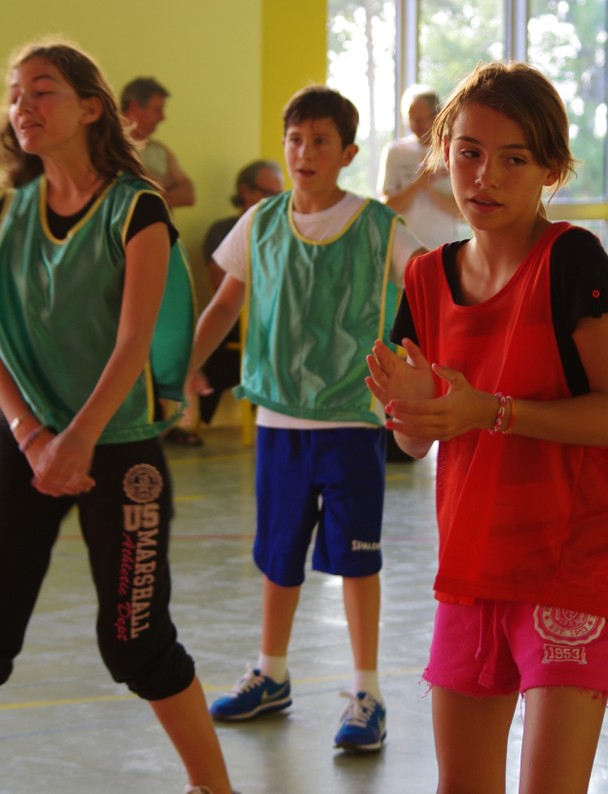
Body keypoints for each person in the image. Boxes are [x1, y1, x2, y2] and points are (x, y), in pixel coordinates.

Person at [0, 41, 234, 794]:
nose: (22, 105)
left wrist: (79, 439)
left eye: (42, 90)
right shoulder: (7, 213)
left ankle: (213, 787)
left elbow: (134, 340)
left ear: (91, 107)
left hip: (117, 445)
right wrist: (32, 437)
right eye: (16, 93)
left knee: (136, 641)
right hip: (28, 444)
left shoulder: (138, 206)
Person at [364, 61, 608, 794]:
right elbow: (413, 441)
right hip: (473, 562)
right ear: (443, 154)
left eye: (514, 159)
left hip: (571, 561)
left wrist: (489, 410)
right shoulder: (426, 279)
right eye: (469, 153)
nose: (485, 176)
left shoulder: (570, 260)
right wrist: (414, 409)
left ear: (550, 170)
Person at [188, 84, 424, 752]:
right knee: (279, 554)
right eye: (295, 139)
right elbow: (224, 305)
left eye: (321, 141)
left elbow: (429, 288)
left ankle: (368, 692)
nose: (305, 151)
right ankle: (272, 673)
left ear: (347, 153)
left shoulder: (378, 226)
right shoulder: (260, 222)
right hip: (278, 420)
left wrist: (427, 376)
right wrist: (180, 370)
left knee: (357, 560)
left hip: (353, 418)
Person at [183, 160, 284, 439]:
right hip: (240, 320)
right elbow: (222, 286)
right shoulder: (223, 229)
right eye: (268, 193)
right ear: (245, 191)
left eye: (279, 195)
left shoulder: (285, 229)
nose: (274, 202)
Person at [377, 84, 461, 248]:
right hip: (403, 248)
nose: (416, 125)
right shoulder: (395, 151)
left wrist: (429, 188)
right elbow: (386, 209)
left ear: (437, 116)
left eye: (422, 119)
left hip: (444, 248)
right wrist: (417, 184)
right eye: (411, 119)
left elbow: (462, 213)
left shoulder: (454, 151)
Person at [120, 76, 195, 208]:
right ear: (134, 107)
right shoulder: (109, 148)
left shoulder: (161, 151)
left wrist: (149, 195)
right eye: (157, 109)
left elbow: (188, 195)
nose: (163, 117)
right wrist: (164, 188)